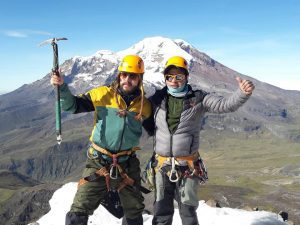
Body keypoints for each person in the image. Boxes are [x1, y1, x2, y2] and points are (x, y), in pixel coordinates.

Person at [142, 56, 255, 225]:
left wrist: (242, 94)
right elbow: (140, 117)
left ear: (186, 77)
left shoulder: (199, 98)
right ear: (165, 78)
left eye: (178, 76)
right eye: (169, 77)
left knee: (188, 212)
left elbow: (224, 105)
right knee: (161, 212)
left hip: (188, 166)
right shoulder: (156, 100)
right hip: (161, 166)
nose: (173, 81)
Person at [50, 55, 151, 225]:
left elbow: (157, 129)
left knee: (134, 212)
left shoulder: (145, 106)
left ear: (140, 79)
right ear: (119, 75)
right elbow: (72, 106)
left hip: (127, 163)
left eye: (133, 76)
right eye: (124, 74)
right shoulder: (101, 94)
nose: (127, 79)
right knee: (79, 210)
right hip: (98, 162)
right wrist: (62, 88)